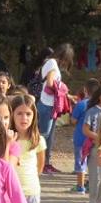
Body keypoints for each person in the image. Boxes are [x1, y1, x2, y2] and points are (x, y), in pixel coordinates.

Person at [34, 44, 74, 174]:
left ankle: (46, 163)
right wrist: (62, 88)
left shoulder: (52, 63)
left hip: (51, 105)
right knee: (43, 135)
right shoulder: (51, 63)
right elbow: (50, 83)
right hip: (46, 104)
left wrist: (67, 95)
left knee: (49, 136)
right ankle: (40, 162)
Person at [70, 79, 100, 194]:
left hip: (81, 138)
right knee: (92, 163)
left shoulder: (82, 104)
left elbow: (73, 120)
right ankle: (91, 185)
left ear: (85, 90)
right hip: (94, 138)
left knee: (80, 162)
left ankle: (80, 186)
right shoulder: (99, 106)